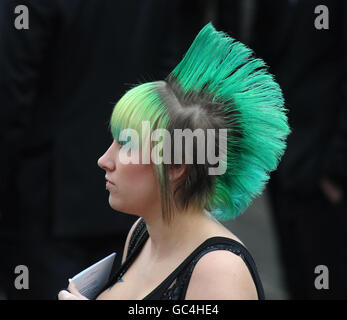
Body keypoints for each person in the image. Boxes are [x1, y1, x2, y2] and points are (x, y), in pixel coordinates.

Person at [58, 22, 290, 300]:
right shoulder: (142, 233)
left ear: (176, 167)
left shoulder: (220, 271)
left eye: (127, 144)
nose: (104, 160)